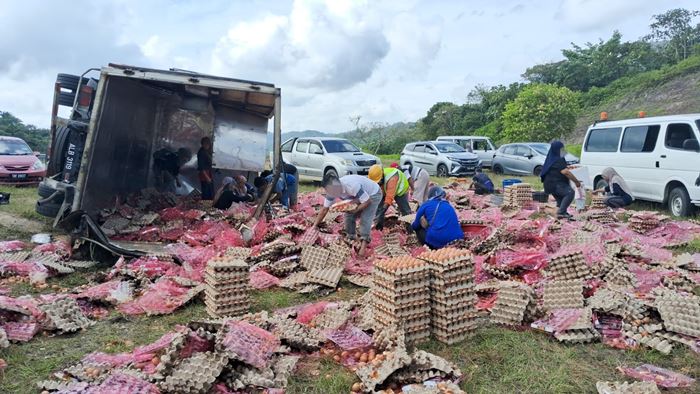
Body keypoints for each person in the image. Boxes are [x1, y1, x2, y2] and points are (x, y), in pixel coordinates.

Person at [313, 174, 383, 257]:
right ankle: (352, 240)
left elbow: (367, 201)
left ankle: (363, 248)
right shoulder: (331, 190)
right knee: (348, 216)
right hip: (357, 196)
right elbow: (325, 209)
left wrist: (356, 210)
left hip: (373, 193)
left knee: (365, 218)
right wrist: (314, 225)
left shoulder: (351, 186)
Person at [540, 141, 581, 220]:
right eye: (561, 149)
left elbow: (559, 168)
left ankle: (562, 214)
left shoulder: (551, 158)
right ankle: (561, 213)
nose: (563, 150)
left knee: (561, 201)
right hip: (555, 184)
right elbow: (565, 172)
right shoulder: (559, 159)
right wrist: (576, 181)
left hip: (549, 184)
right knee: (570, 193)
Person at [368, 164, 412, 229]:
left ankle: (410, 229)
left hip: (400, 191)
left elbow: (389, 198)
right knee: (379, 208)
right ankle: (379, 228)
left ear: (382, 176)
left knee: (405, 210)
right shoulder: (376, 176)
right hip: (386, 189)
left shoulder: (392, 179)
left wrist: (383, 210)